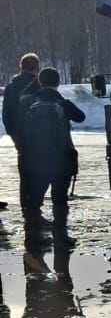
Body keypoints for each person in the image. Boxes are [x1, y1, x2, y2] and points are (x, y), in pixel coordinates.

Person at [20, 66, 86, 249]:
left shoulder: (30, 101)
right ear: (58, 83)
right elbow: (81, 117)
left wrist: (37, 82)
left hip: (36, 161)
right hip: (61, 160)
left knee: (35, 199)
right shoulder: (62, 103)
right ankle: (61, 236)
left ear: (40, 82)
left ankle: (33, 237)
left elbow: (21, 97)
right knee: (60, 198)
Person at [3, 52, 41, 216]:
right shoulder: (39, 86)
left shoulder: (12, 87)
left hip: (19, 133)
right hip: (39, 134)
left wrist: (12, 132)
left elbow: (6, 113)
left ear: (21, 67)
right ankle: (35, 202)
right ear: (37, 67)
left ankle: (25, 202)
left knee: (24, 168)